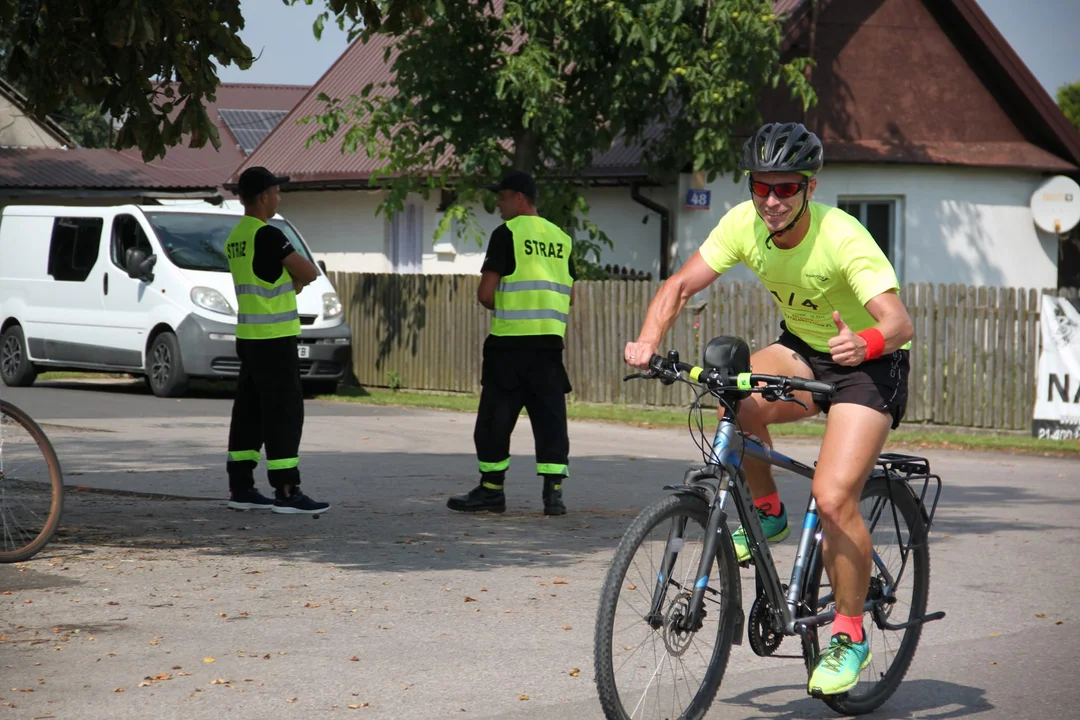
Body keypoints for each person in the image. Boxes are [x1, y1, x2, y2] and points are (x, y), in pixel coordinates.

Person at [624, 122, 914, 696]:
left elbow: (898, 321)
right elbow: (681, 286)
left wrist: (867, 343)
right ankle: (768, 511)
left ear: (809, 186)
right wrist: (647, 341)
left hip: (869, 368)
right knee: (730, 391)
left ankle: (850, 633)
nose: (773, 201)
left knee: (833, 498)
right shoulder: (744, 224)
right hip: (805, 352)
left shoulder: (842, 236)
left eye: (786, 188)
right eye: (762, 188)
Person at [447, 170, 576, 516]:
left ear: (519, 198)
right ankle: (554, 495)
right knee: (550, 420)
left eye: (501, 197)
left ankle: (490, 492)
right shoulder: (561, 238)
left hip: (510, 346)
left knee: (494, 420)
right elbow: (570, 295)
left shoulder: (506, 234)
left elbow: (486, 293)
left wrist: (505, 305)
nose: (498, 205)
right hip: (549, 347)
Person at [224, 166, 331, 515]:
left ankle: (241, 487)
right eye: (276, 192)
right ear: (264, 196)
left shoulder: (236, 237)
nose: (279, 197)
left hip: (250, 337)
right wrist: (295, 282)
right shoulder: (267, 234)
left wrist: (290, 282)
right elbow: (309, 273)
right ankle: (286, 490)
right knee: (284, 413)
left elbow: (268, 279)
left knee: (249, 413)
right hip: (275, 337)